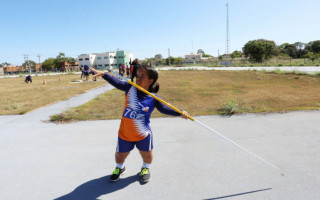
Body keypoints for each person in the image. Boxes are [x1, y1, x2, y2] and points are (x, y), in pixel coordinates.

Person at [90, 65, 190, 183]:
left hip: (143, 134)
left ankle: (145, 169)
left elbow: (164, 109)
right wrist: (104, 74)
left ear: (151, 80)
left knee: (147, 154)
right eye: (138, 75)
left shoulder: (153, 98)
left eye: (143, 76)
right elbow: (117, 82)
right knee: (120, 155)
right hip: (125, 133)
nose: (138, 78)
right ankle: (119, 168)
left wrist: (179, 113)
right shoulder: (130, 88)